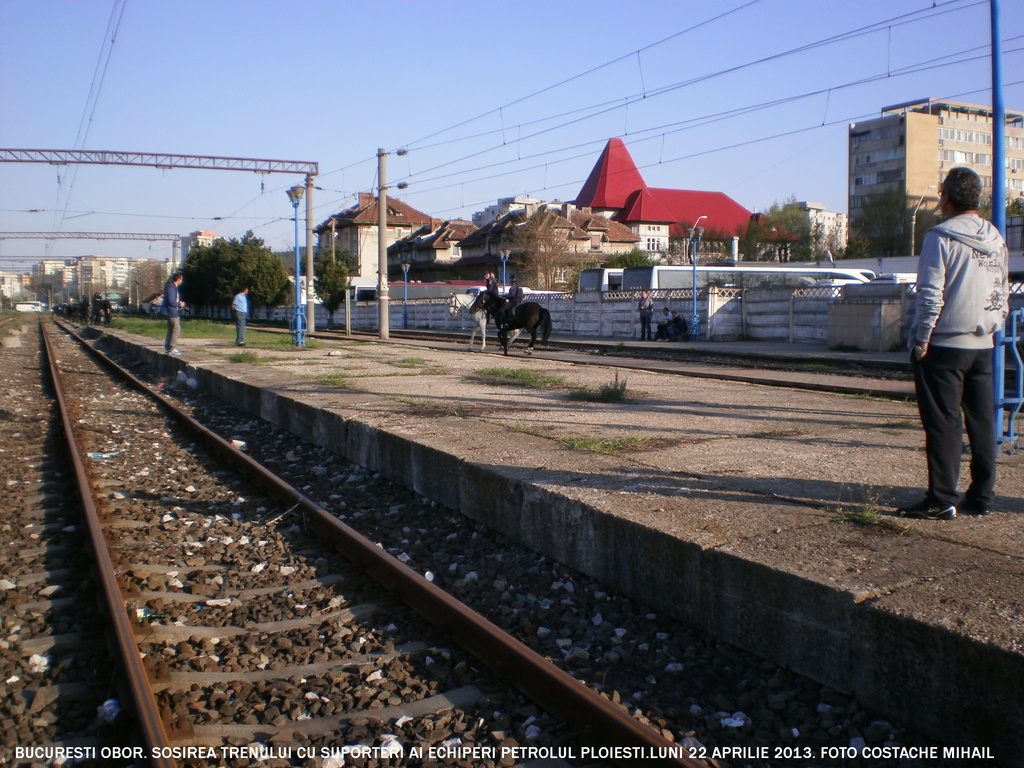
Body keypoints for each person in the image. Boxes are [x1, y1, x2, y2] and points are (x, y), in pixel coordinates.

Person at [902, 167, 1009, 521]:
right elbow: (1002, 289)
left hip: (945, 343)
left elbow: (931, 294)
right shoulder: (995, 236)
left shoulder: (940, 236)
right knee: (982, 421)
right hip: (983, 343)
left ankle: (942, 499)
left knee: (944, 423)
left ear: (945, 198)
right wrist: (995, 327)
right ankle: (982, 497)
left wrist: (921, 339)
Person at [161, 272, 185, 355]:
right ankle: (172, 348)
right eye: (181, 279)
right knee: (176, 330)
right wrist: (179, 304)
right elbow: (171, 301)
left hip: (171, 310)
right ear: (178, 279)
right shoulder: (171, 288)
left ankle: (168, 348)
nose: (182, 281)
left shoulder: (171, 287)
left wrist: (179, 306)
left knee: (171, 330)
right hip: (171, 312)